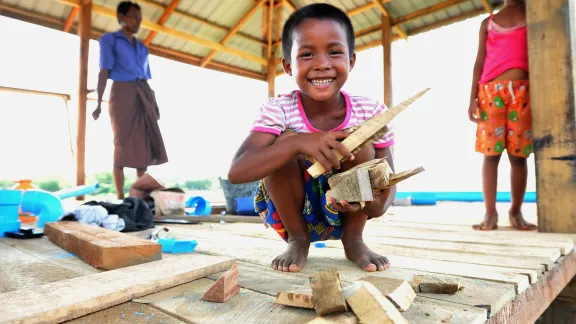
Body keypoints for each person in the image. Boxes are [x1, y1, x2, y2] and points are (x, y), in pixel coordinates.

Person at [228, 3, 396, 273]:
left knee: (360, 142)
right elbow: (237, 172)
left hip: (349, 205)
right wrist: (296, 142)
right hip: (292, 203)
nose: (321, 64)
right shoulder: (278, 109)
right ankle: (298, 239)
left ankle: (353, 239)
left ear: (351, 61)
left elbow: (389, 179)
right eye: (307, 54)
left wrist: (374, 205)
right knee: (282, 142)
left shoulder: (372, 111)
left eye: (334, 52)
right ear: (287, 66)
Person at [468, 0, 536, 231]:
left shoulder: (534, 16)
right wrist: (472, 97)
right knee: (491, 154)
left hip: (524, 93)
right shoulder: (488, 23)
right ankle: (490, 213)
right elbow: (479, 60)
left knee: (519, 156)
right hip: (489, 93)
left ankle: (516, 211)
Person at [92, 1, 168, 200]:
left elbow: (146, 78)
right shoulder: (109, 40)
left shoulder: (142, 48)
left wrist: (154, 104)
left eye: (140, 18)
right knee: (122, 143)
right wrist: (99, 102)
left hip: (143, 93)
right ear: (122, 18)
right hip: (122, 93)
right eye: (134, 17)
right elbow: (104, 71)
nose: (138, 22)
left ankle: (139, 197)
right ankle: (119, 197)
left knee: (142, 147)